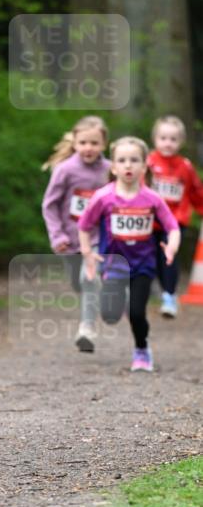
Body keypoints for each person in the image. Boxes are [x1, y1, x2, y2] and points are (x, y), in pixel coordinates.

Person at [78, 136, 180, 373]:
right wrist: (87, 253)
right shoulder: (103, 197)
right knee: (109, 312)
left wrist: (171, 246)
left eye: (134, 160)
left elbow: (172, 226)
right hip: (113, 263)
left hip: (143, 264)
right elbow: (84, 226)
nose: (128, 165)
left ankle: (142, 349)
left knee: (136, 312)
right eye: (122, 160)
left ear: (144, 166)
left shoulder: (152, 199)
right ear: (113, 167)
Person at [41, 116, 110, 352]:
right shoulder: (65, 169)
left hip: (99, 239)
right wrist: (57, 236)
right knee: (80, 284)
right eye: (83, 143)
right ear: (75, 143)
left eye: (94, 143)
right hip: (70, 240)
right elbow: (50, 205)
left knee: (88, 278)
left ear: (103, 144)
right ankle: (95, 297)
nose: (88, 148)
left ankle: (87, 329)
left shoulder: (110, 169)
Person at [146, 115, 203, 318]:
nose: (168, 143)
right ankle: (149, 292)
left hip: (175, 222)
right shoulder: (147, 162)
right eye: (163, 138)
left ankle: (169, 296)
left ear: (181, 141)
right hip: (149, 223)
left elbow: (196, 192)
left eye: (173, 139)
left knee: (169, 258)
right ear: (155, 139)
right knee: (151, 258)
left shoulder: (185, 167)